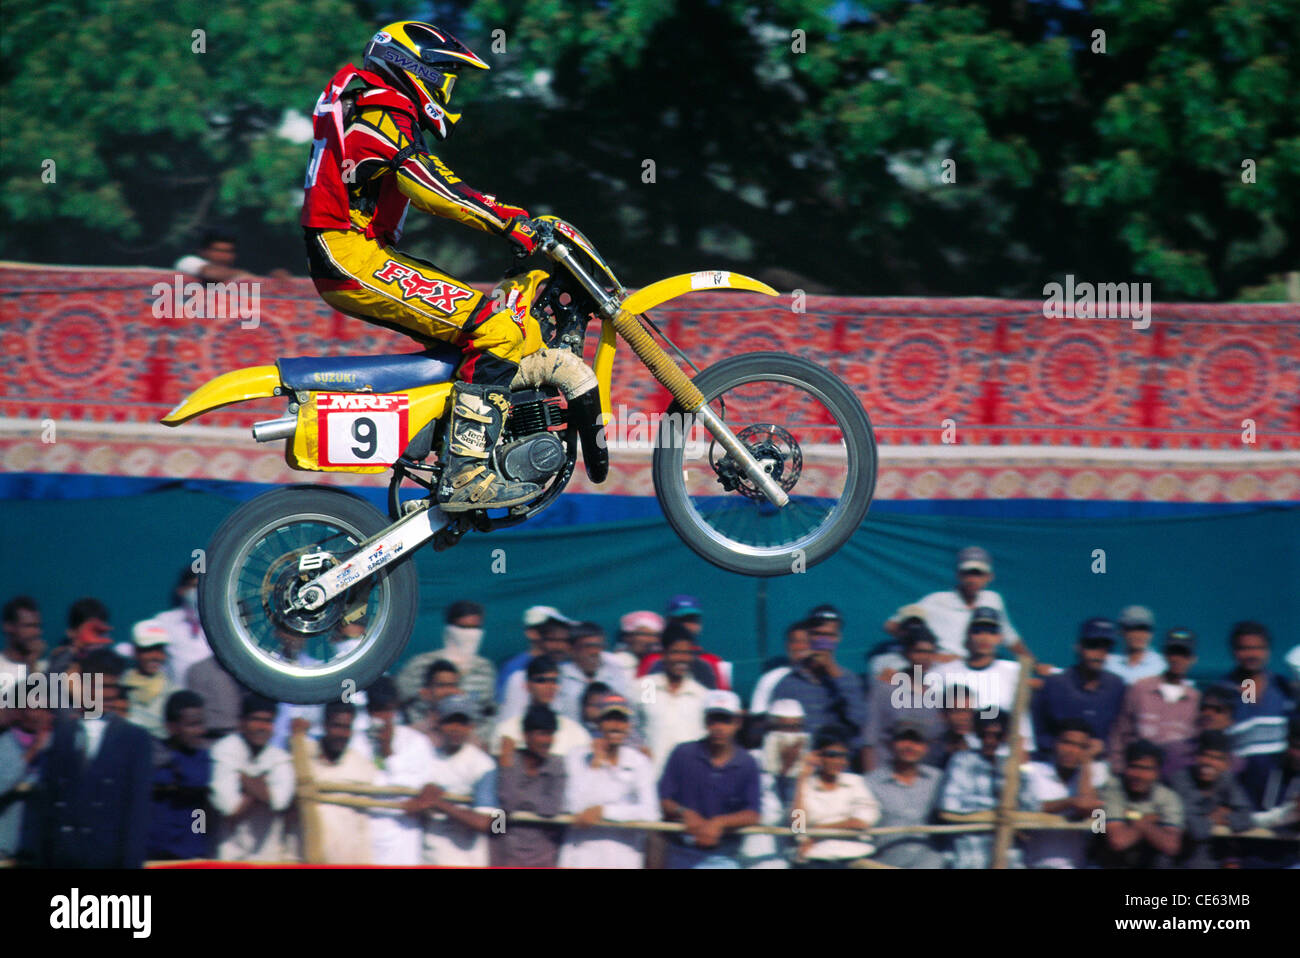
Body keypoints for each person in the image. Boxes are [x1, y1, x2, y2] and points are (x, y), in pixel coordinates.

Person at [302, 19, 547, 511]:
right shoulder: (380, 109)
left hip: (361, 252)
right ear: (419, 70)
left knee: (496, 333)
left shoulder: (369, 102)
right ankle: (467, 473)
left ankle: (455, 440)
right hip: (350, 254)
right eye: (447, 77)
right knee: (497, 330)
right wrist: (508, 220)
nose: (449, 91)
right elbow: (430, 187)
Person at [20, 650, 154, 868]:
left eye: (113, 687)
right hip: (63, 858)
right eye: (101, 686)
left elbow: (137, 812)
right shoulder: (63, 733)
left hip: (106, 859)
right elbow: (46, 803)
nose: (108, 695)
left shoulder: (136, 739)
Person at [659, 690, 761, 869]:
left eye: (725, 720)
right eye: (714, 719)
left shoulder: (747, 763)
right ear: (705, 721)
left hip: (724, 856)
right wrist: (684, 812)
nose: (719, 727)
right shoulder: (682, 754)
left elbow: (753, 813)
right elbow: (663, 798)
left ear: (738, 723)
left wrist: (719, 823)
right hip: (681, 852)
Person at [559, 692, 658, 868]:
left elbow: (651, 812)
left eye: (621, 720)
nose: (616, 725)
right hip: (582, 855)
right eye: (609, 719)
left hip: (623, 857)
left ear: (628, 726)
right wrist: (594, 766)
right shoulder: (577, 756)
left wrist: (605, 811)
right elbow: (572, 805)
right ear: (599, 723)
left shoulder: (639, 762)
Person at [766, 610, 869, 768]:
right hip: (801, 768)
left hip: (839, 769)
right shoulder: (788, 683)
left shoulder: (849, 679)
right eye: (817, 634)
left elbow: (860, 722)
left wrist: (833, 672)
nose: (823, 641)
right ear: (808, 637)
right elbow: (775, 735)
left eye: (829, 635)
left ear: (838, 638)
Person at [885, 546, 1025, 660]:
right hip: (944, 672)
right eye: (967, 573)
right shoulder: (936, 600)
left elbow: (1009, 637)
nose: (972, 579)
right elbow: (891, 625)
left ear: (989, 577)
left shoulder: (993, 599)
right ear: (958, 575)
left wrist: (1032, 664)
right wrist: (929, 655)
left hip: (981, 668)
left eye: (978, 573)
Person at [1209, 621, 1297, 802]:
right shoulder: (1222, 691)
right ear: (1234, 651)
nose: (1252, 654)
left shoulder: (1283, 687)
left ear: (1268, 651)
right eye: (1244, 648)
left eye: (1258, 648)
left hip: (1279, 792)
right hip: (1237, 791)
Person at [360, 678, 437, 865]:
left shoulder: (417, 743)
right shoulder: (356, 742)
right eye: (377, 710)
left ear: (395, 708)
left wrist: (388, 753)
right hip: (365, 843)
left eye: (387, 709)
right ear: (368, 710)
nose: (383, 717)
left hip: (404, 844)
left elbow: (420, 790)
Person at [937, 712, 1029, 868]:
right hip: (970, 855)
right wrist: (998, 812)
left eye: (996, 736)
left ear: (1005, 737)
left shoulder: (1011, 767)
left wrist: (1022, 767)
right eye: (984, 735)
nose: (989, 741)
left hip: (1008, 858)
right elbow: (948, 806)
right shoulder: (962, 761)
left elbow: (1030, 808)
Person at [210, 693, 296, 862]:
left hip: (268, 859)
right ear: (242, 723)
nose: (262, 727)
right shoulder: (225, 749)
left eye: (268, 721)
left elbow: (280, 802)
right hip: (229, 858)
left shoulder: (280, 758)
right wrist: (262, 787)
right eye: (256, 720)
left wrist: (243, 779)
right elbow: (229, 807)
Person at [396, 600, 496, 741]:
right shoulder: (421, 664)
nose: (470, 634)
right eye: (463, 627)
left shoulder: (485, 669)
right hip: (422, 741)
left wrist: (479, 739)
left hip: (468, 745)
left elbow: (488, 712)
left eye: (475, 628)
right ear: (450, 628)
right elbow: (398, 701)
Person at [1108, 628, 1201, 779]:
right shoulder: (1139, 689)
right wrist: (1118, 768)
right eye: (1173, 652)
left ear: (1193, 659)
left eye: (1184, 654)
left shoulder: (1196, 700)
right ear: (1164, 654)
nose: (1177, 659)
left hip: (1175, 780)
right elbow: (1120, 732)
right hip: (1134, 777)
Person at [933, 607, 1031, 749]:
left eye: (991, 632)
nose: (984, 637)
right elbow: (936, 720)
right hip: (957, 753)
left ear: (999, 638)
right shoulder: (945, 672)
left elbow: (1022, 725)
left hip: (1002, 754)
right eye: (978, 631)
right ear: (968, 635)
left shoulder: (1014, 672)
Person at [1031, 618, 1126, 760]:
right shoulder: (1054, 685)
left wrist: (1105, 746)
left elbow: (1122, 732)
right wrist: (1068, 748)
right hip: (1055, 762)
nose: (1099, 653)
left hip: (1099, 763)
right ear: (1079, 647)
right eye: (1093, 645)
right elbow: (1038, 733)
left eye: (1105, 647)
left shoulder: (1117, 687)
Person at [1018, 718, 1108, 869]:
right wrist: (1070, 802)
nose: (1072, 751)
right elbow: (1030, 807)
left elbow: (1087, 806)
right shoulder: (1035, 772)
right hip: (1036, 865)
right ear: (1055, 743)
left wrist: (1086, 761)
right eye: (1067, 743)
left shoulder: (1091, 776)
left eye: (1081, 747)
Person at [421, 694, 497, 865]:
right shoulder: (426, 758)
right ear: (439, 724)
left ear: (471, 726)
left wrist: (440, 803)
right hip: (429, 859)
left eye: (462, 722)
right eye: (450, 722)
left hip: (467, 861)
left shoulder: (483, 764)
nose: (456, 728)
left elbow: (487, 822)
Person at [791, 726, 880, 867]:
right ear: (818, 756)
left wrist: (817, 831)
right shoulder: (805, 785)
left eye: (843, 756)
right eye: (832, 755)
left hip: (854, 857)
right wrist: (802, 777)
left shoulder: (855, 783)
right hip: (816, 859)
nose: (839, 761)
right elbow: (797, 826)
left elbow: (862, 821)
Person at [863, 622, 946, 771]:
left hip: (924, 777)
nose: (925, 658)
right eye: (919, 651)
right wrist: (871, 777)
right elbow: (869, 740)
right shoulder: (884, 689)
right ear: (906, 653)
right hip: (885, 772)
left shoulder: (937, 695)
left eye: (930, 653)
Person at [493, 704, 568, 867]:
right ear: (526, 736)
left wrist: (522, 801)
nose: (547, 741)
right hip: (507, 854)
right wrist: (506, 766)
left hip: (543, 856)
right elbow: (507, 803)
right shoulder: (510, 761)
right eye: (542, 734)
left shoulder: (557, 765)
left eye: (550, 734)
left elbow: (552, 808)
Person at [865, 721, 944, 868]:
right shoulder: (869, 782)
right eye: (903, 739)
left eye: (916, 741)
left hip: (930, 863)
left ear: (926, 747)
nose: (909, 746)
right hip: (884, 863)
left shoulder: (939, 779)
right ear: (891, 744)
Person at [302, 701, 374, 864]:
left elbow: (362, 827)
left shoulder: (361, 767)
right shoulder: (303, 756)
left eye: (347, 727)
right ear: (325, 725)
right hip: (306, 860)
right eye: (337, 726)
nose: (342, 734)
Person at [1170, 730, 1253, 868]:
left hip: (1214, 861)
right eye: (1205, 755)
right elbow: (1196, 830)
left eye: (1217, 758)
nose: (1209, 763)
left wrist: (1223, 818)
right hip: (1181, 861)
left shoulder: (1227, 779)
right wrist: (1214, 818)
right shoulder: (1180, 780)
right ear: (1196, 757)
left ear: (1225, 763)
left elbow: (1247, 818)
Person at [147, 690, 213, 861]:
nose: (200, 731)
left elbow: (195, 780)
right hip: (154, 852)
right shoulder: (152, 753)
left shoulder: (204, 758)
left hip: (192, 851)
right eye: (192, 725)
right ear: (171, 727)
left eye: (201, 723)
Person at [1098, 740, 1185, 869]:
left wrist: (1137, 821)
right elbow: (1118, 841)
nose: (1139, 775)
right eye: (1134, 767)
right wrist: (1146, 820)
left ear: (1157, 773)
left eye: (1146, 769)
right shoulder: (1113, 789)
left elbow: (1171, 845)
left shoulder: (1168, 797)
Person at [740, 699, 806, 868]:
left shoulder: (804, 770)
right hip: (753, 851)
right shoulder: (749, 761)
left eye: (795, 728)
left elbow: (798, 826)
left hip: (783, 855)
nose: (790, 735)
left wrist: (796, 778)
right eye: (784, 728)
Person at [638, 623, 708, 776]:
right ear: (664, 654)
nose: (681, 659)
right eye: (675, 652)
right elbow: (635, 722)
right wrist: (638, 747)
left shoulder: (700, 694)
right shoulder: (649, 686)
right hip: (652, 775)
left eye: (686, 653)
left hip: (689, 777)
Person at [491, 655, 590, 761]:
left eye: (554, 681)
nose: (549, 686)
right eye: (541, 680)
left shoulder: (576, 732)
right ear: (527, 685)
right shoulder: (506, 730)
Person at [0, 685, 52, 861]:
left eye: (45, 708)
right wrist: (33, 751)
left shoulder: (56, 745)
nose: (39, 715)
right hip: (7, 846)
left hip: (40, 849)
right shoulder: (5, 743)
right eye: (34, 708)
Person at [636, 595, 731, 690]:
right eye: (681, 620)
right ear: (668, 622)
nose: (687, 625)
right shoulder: (651, 660)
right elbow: (641, 694)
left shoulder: (712, 661)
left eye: (692, 620)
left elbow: (722, 695)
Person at [1244, 716, 1300, 868]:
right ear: (1287, 742)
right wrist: (1291, 813)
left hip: (1292, 858)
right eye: (1296, 747)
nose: (1298, 755)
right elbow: (1243, 817)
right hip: (1253, 855)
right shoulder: (1260, 766)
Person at [499, 614, 574, 719]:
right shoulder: (515, 671)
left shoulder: (566, 668)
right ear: (533, 634)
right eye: (554, 639)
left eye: (565, 640)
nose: (560, 646)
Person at [556, 622, 633, 724]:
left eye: (598, 646)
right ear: (572, 649)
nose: (595, 652)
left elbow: (629, 714)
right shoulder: (559, 676)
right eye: (588, 646)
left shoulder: (615, 674)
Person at [151, 568, 213, 689]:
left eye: (202, 587)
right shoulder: (164, 621)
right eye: (194, 586)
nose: (197, 592)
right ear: (181, 590)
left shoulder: (221, 624)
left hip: (215, 694)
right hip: (177, 694)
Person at [120, 619, 176, 738]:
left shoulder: (174, 693)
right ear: (135, 651)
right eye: (148, 650)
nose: (155, 656)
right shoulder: (117, 685)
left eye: (159, 650)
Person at [749, 620, 809, 717]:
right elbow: (758, 715)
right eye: (794, 641)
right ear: (787, 645)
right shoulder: (770, 678)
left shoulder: (826, 677)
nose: (800, 646)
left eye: (805, 642)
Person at [46, 597, 114, 677]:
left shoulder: (111, 663)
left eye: (101, 632)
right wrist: (72, 650)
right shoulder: (60, 658)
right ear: (72, 633)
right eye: (92, 631)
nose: (96, 640)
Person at [1105, 605, 1166, 684]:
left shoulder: (1163, 666)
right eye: (1133, 628)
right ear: (1121, 631)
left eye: (1144, 629)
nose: (1139, 635)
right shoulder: (1108, 665)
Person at [174, 228, 255, 282]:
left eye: (228, 251)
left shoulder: (232, 271)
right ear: (203, 251)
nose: (223, 256)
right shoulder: (188, 261)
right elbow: (211, 273)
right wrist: (246, 275)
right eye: (218, 251)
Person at [611, 610, 664, 690]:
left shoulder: (660, 663)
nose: (650, 640)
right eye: (644, 634)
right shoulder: (617, 662)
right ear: (627, 637)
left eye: (655, 635)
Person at [1, 595, 44, 684]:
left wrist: (32, 665)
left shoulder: (45, 668)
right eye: (29, 626)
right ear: (9, 627)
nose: (36, 632)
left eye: (37, 626)